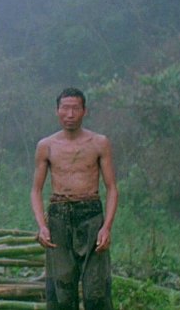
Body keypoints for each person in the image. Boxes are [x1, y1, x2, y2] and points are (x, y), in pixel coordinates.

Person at [30, 87, 118, 310]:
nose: (70, 114)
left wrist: (106, 227)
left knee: (96, 292)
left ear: (84, 111)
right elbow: (36, 190)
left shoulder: (99, 143)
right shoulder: (46, 146)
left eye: (75, 109)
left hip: (91, 215)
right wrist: (42, 226)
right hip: (59, 216)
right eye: (65, 108)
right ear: (57, 111)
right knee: (61, 293)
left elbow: (112, 188)